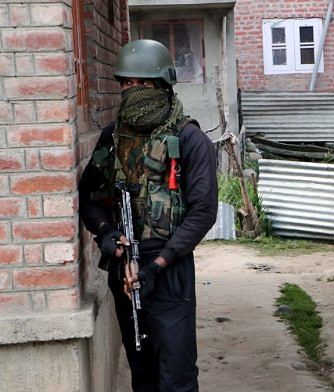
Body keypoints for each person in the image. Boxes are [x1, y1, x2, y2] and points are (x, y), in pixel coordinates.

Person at [78, 39, 218, 391]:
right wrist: (106, 234)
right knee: (143, 372)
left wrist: (159, 265)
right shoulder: (112, 139)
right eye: (127, 84)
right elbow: (88, 196)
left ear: (163, 86)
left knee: (177, 373)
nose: (133, 91)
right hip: (125, 266)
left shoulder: (188, 139)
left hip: (168, 268)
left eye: (143, 84)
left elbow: (203, 211)